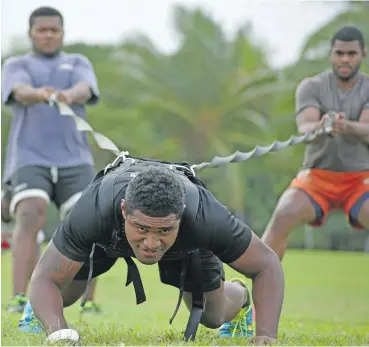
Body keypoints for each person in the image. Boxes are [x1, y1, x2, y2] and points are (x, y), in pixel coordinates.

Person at [25, 155, 284, 345]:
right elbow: (44, 278)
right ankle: (36, 310)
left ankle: (240, 298)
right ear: (124, 210)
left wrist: (266, 335)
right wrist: (58, 334)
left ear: (181, 217)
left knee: (212, 316)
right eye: (142, 228)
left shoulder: (206, 217)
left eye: (163, 230)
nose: (150, 243)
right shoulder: (92, 211)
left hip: (187, 246)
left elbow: (266, 265)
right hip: (107, 237)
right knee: (62, 292)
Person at [1, 6, 102, 316]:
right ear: (31, 33)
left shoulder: (77, 63)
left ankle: (87, 300)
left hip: (75, 160)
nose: (48, 35)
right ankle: (21, 298)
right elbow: (19, 91)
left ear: (62, 33)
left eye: (54, 30)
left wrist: (69, 95)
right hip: (30, 158)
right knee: (31, 214)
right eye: (42, 30)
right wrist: (40, 94)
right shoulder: (17, 64)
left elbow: (86, 89)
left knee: (89, 223)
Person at [262, 26, 369, 259]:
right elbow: (305, 126)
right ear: (331, 54)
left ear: (363, 54)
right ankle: (255, 288)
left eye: (351, 53)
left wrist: (344, 126)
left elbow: (366, 128)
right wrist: (323, 126)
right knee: (284, 214)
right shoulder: (312, 86)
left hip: (360, 179)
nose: (345, 59)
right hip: (317, 177)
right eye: (339, 53)